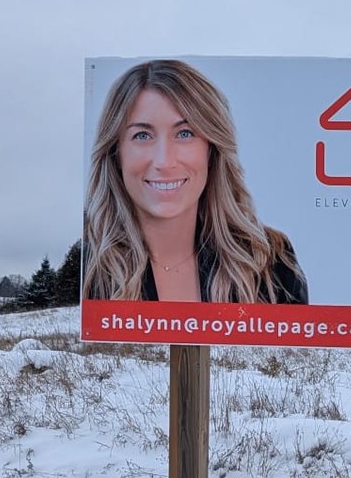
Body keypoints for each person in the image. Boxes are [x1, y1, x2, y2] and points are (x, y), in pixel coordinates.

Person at [83, 59, 309, 304]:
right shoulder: (86, 267)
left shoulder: (270, 262)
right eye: (142, 135)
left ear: (211, 150)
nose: (164, 161)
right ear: (116, 153)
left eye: (185, 133)